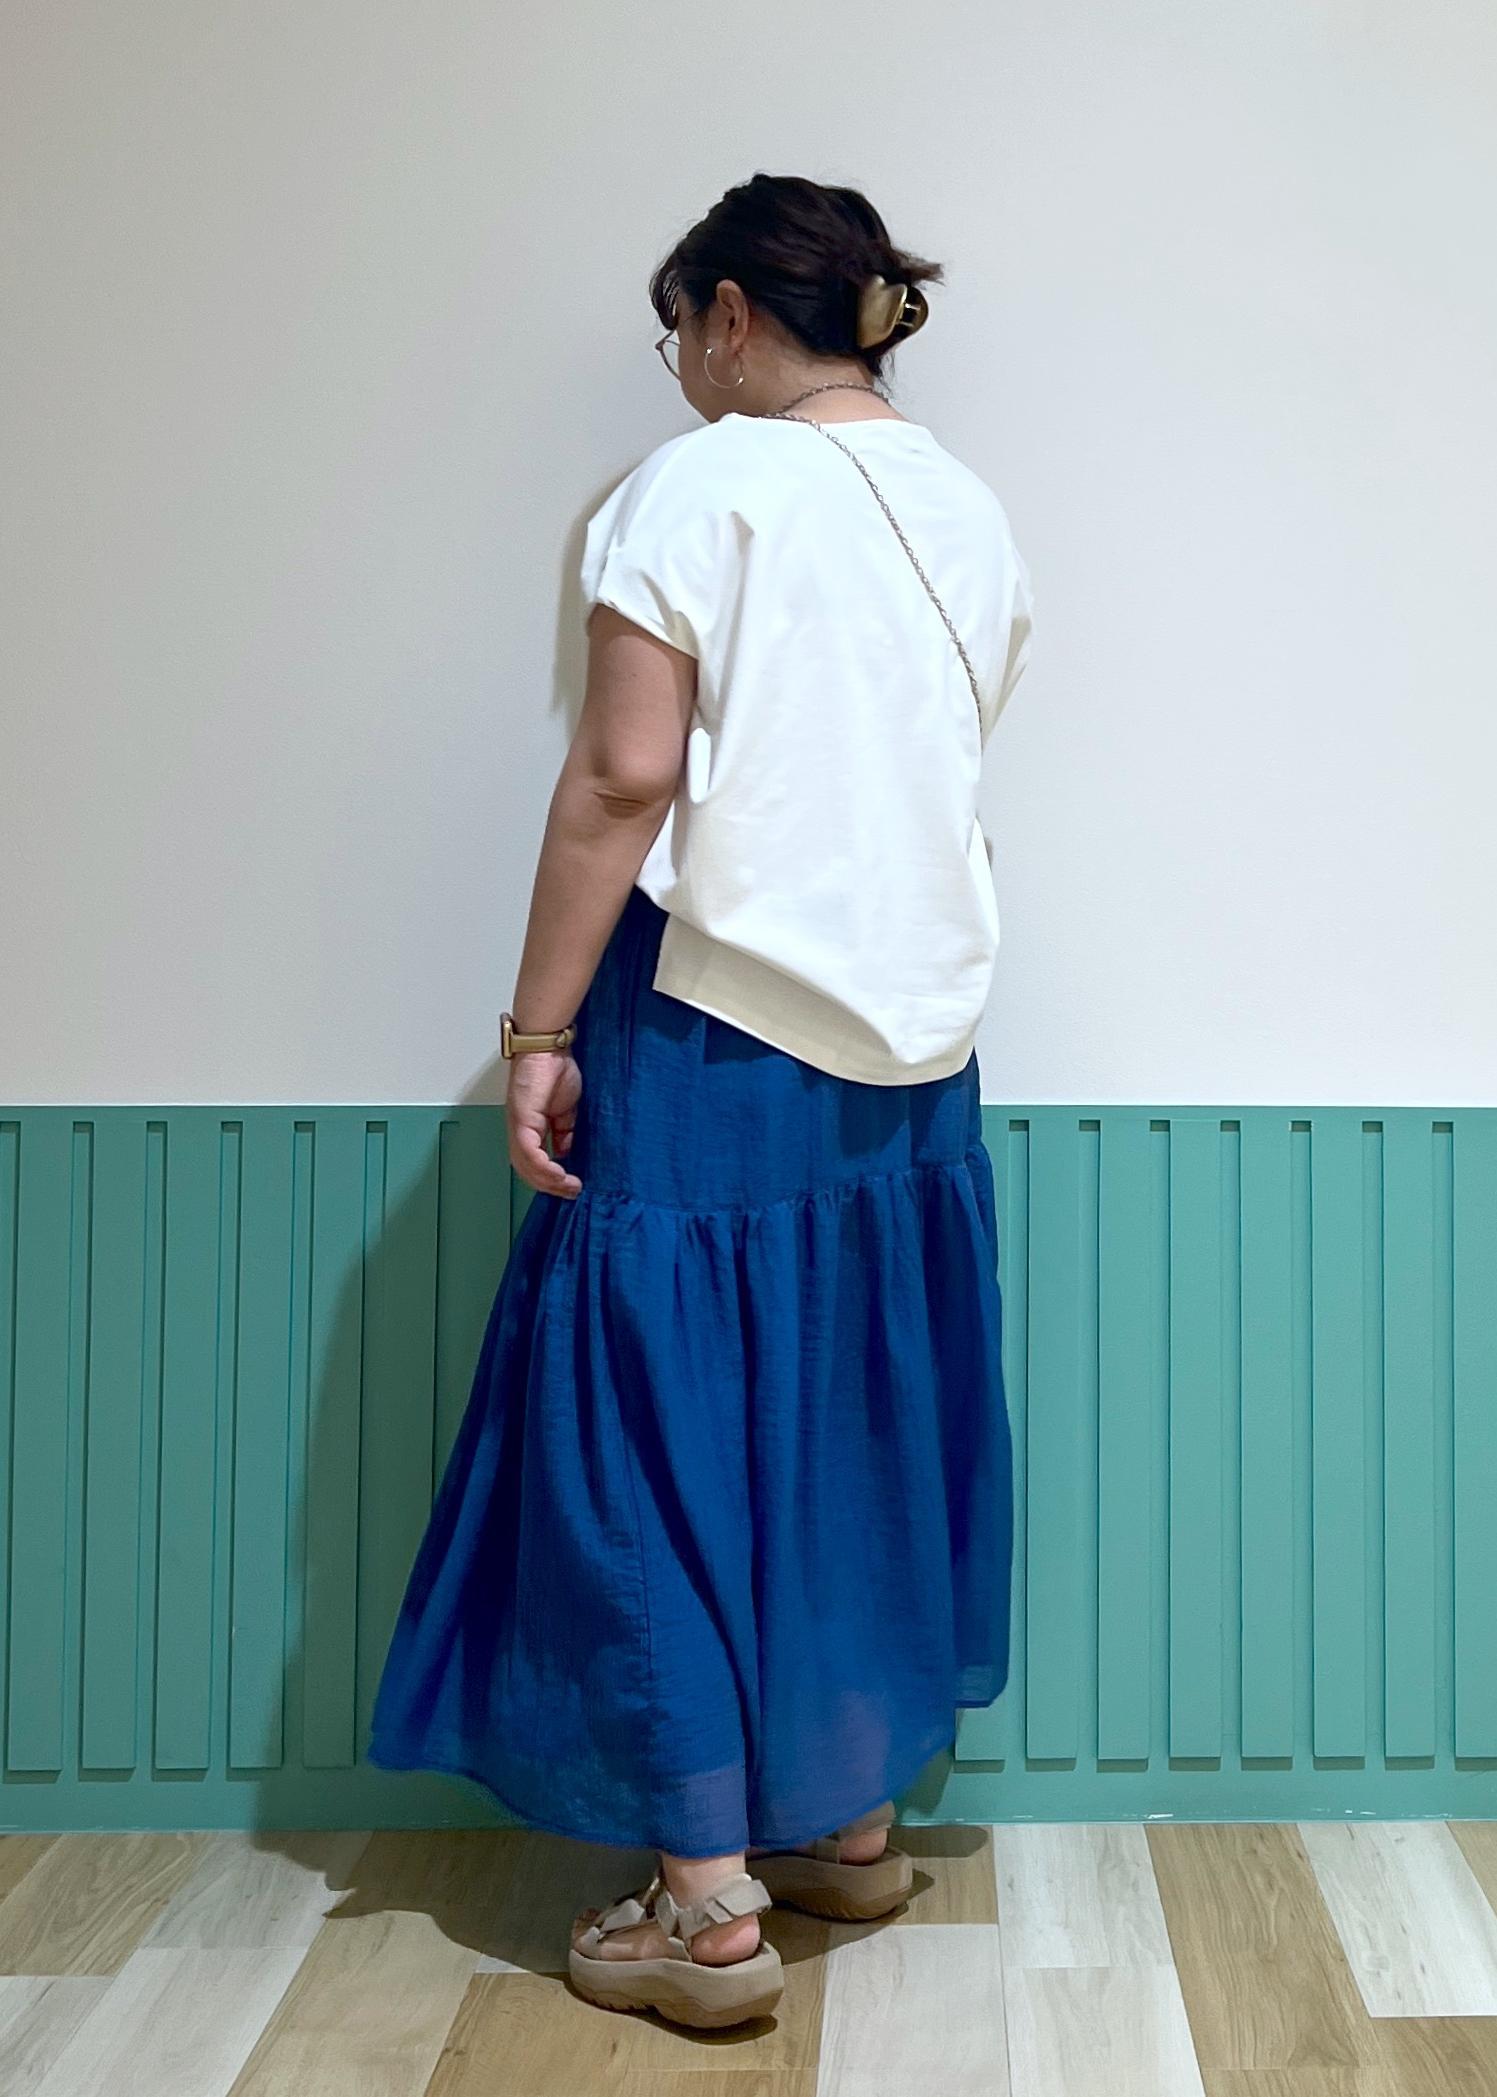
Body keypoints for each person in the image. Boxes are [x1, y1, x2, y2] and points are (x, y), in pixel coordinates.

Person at [365, 169, 1035, 2032]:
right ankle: (843, 1821)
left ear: (733, 312)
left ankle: (703, 1904)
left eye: (676, 327)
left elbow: (622, 775)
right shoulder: (968, 507)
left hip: (712, 1027)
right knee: (849, 1421)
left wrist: (535, 1029)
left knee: (644, 1438)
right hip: (913, 1048)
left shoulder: (702, 482)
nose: (673, 366)